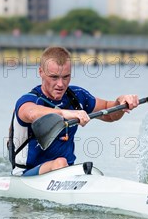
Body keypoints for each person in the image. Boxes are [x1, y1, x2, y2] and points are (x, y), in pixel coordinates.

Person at [8, 46, 139, 176]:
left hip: (65, 171)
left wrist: (121, 102)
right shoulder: (29, 101)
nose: (60, 84)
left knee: (73, 166)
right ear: (41, 72)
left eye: (66, 77)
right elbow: (31, 113)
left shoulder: (77, 96)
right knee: (60, 163)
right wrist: (67, 113)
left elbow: (109, 114)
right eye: (54, 77)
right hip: (26, 174)